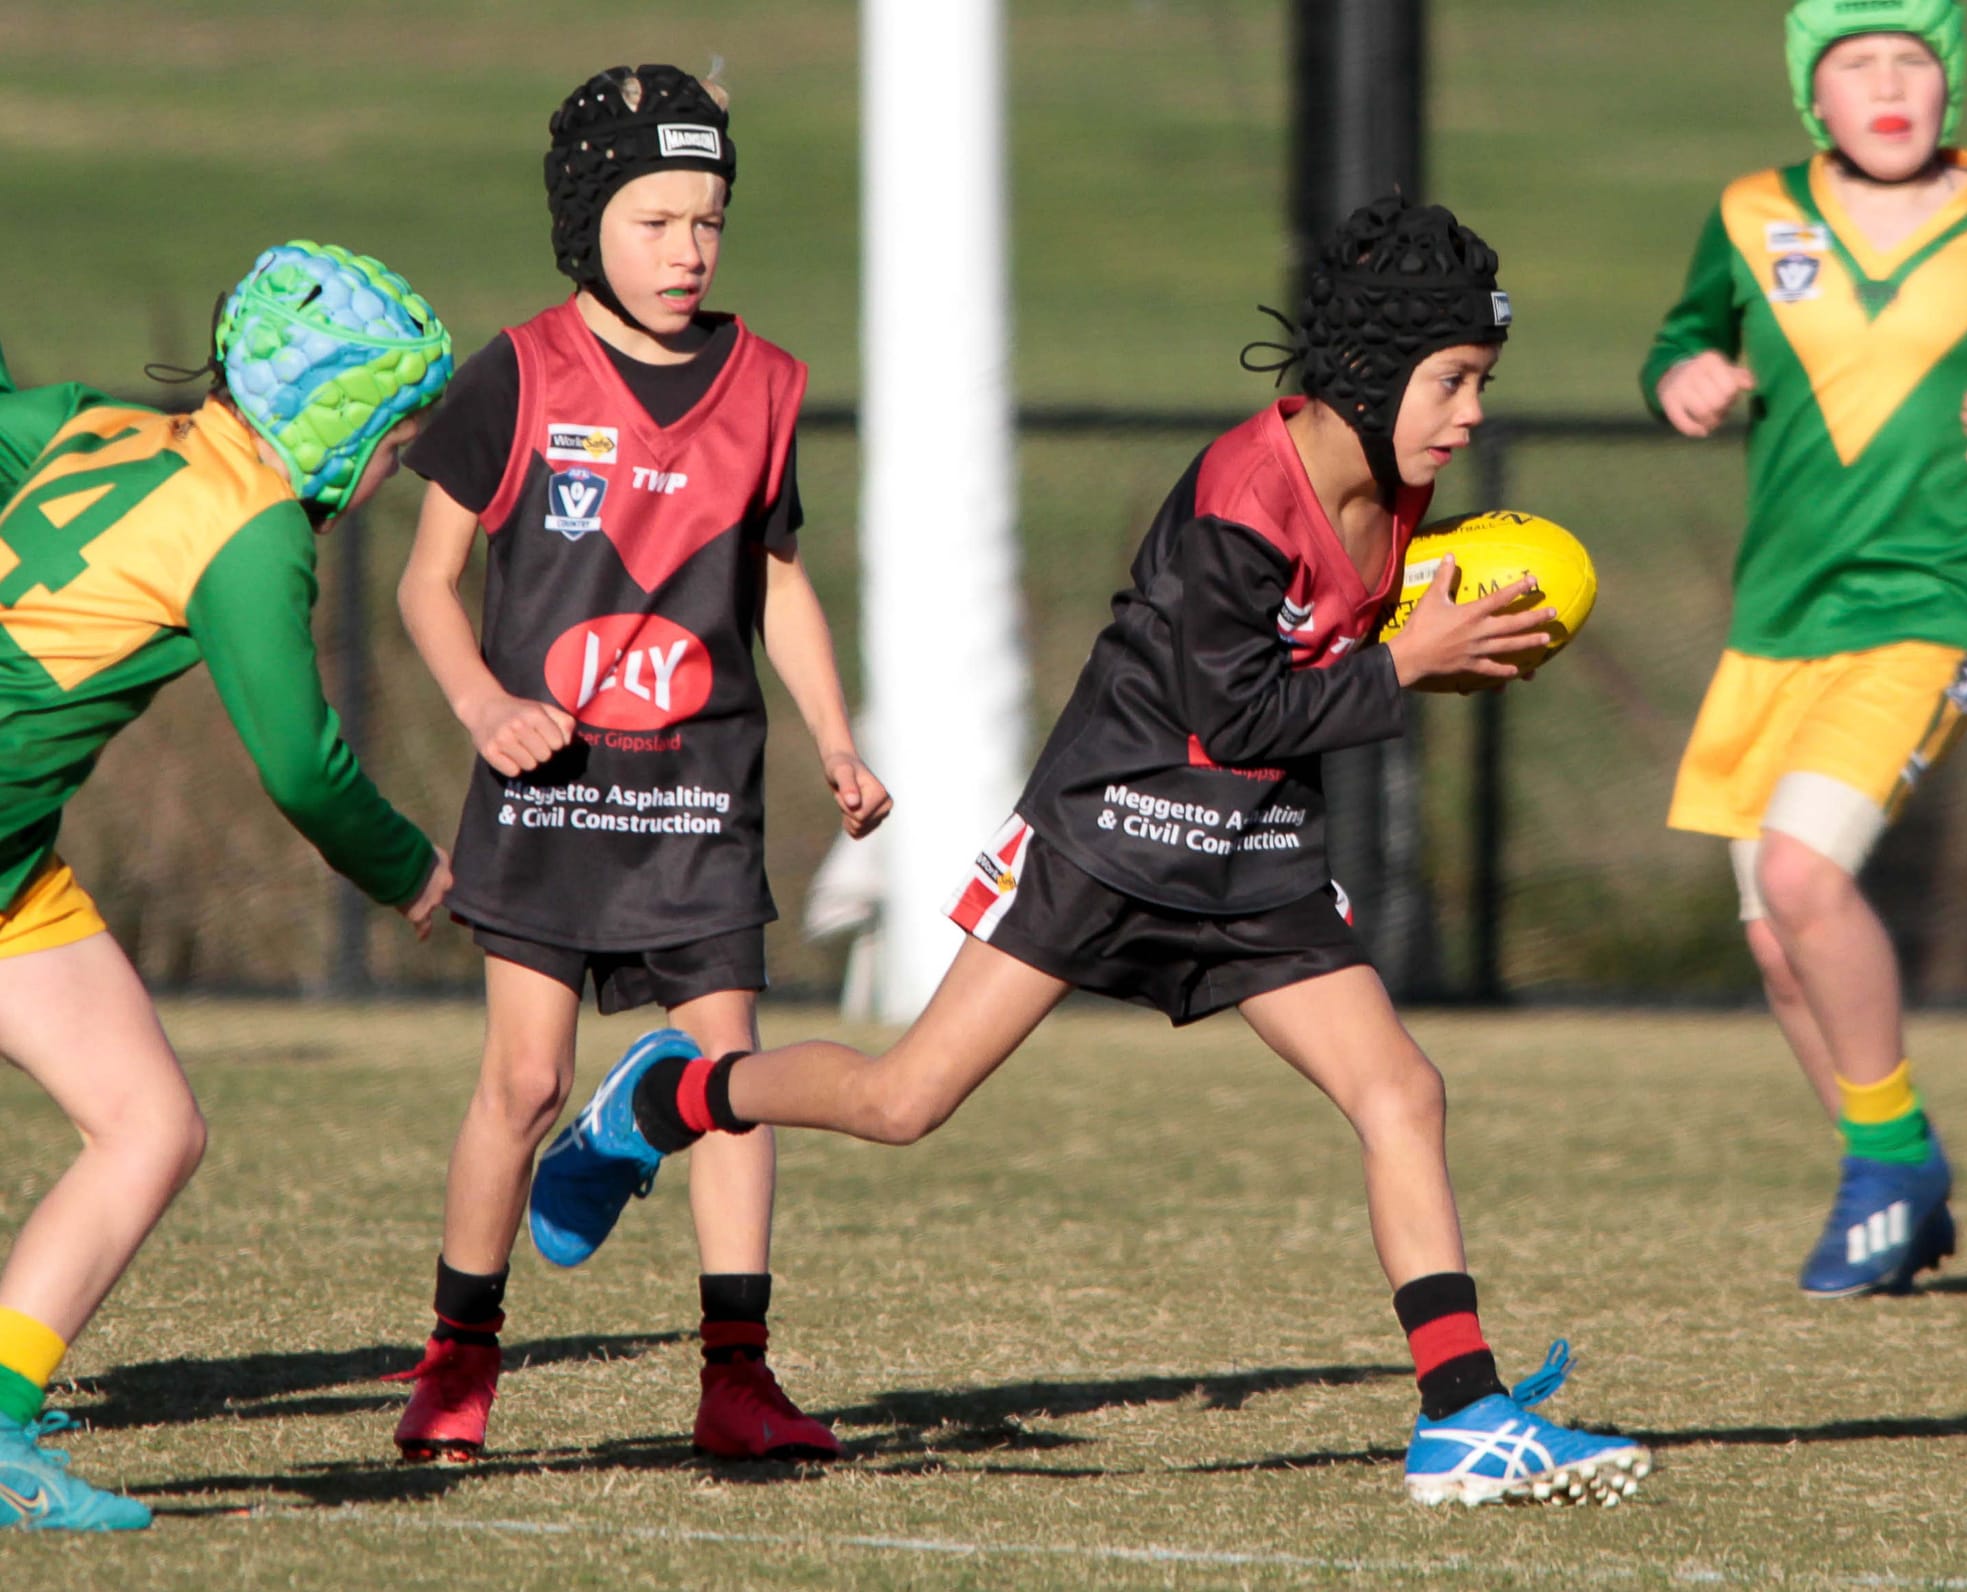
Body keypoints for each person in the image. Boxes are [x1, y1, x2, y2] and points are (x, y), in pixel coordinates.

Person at [531, 195, 1656, 1508]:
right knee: (904, 1104)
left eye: (1483, 382)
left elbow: (1302, 689)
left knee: (1402, 1091)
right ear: (1368, 372)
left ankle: (1463, 1416)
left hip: (1252, 845)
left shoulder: (1404, 486)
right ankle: (665, 1102)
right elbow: (1233, 709)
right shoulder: (1244, 495)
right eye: (1454, 381)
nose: (1472, 414)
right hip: (1107, 829)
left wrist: (1426, 641)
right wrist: (1407, 664)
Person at [388, 64, 890, 1464]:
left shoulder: (768, 384)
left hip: (697, 791)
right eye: (657, 219)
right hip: (550, 787)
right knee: (525, 1083)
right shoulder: (519, 372)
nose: (688, 250)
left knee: (729, 1072)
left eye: (709, 221)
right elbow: (428, 586)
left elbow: (776, 582)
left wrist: (839, 738)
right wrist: (486, 708)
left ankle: (738, 1376)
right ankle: (455, 1362)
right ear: (587, 221)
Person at [0, 241, 455, 1530]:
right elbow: (304, 771)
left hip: (12, 864)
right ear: (329, 416)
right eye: (391, 437)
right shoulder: (251, 534)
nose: (394, 467)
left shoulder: (104, 427)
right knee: (140, 1130)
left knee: (150, 1125)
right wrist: (415, 869)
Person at [1642, 0, 1967, 1297]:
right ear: (1816, 97)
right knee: (1777, 940)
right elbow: (1689, 333)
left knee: (1801, 875)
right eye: (1858, 63)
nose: (1890, 85)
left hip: (1929, 605)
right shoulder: (1752, 212)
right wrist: (1680, 374)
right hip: (1777, 620)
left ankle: (1890, 1165)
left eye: (1915, 60)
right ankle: (1892, 1168)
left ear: (1949, 87)